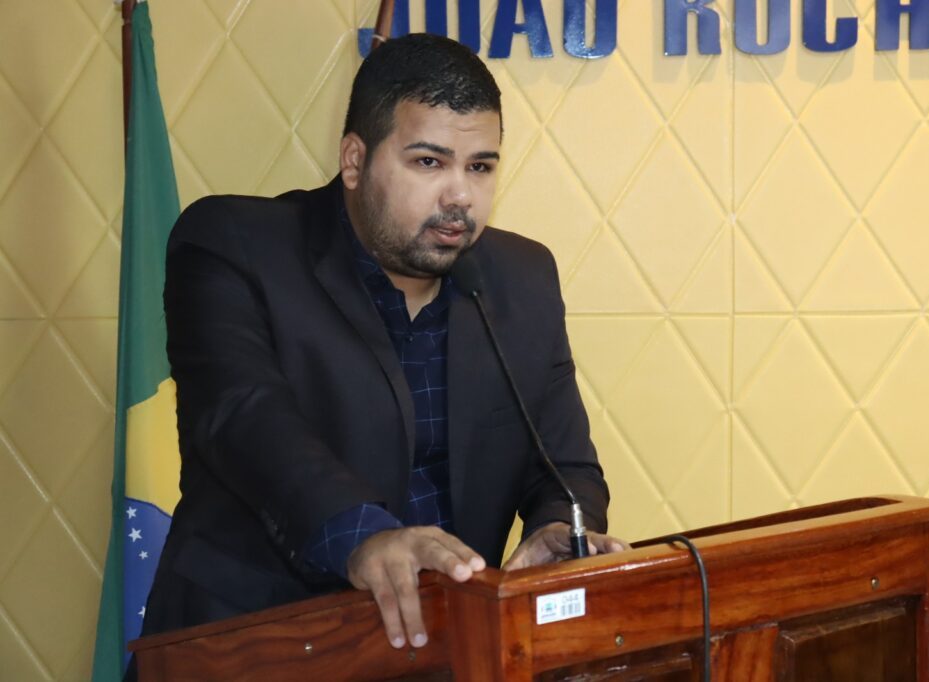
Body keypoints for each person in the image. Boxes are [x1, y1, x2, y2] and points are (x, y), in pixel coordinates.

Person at [140, 32, 624, 654]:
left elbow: (565, 463)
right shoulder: (235, 246)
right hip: (254, 644)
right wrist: (364, 535)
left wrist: (561, 525)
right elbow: (244, 417)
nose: (460, 196)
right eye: (429, 162)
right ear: (354, 159)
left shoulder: (522, 279)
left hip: (444, 646)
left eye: (480, 167)